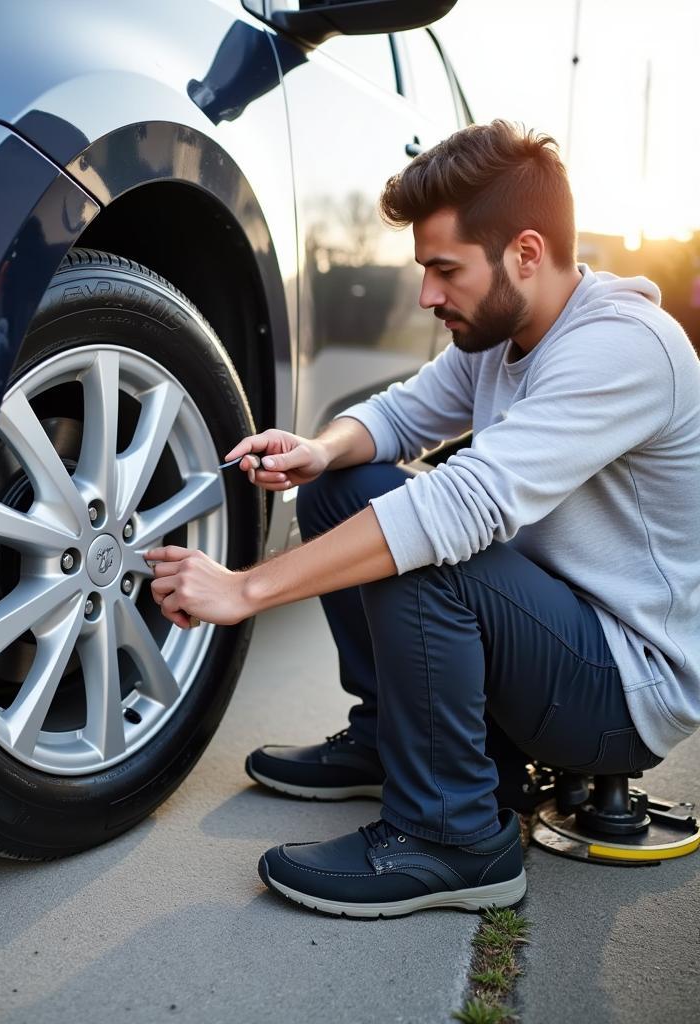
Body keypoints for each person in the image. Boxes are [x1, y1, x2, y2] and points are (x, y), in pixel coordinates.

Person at [146, 120, 700, 919]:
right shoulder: (500, 328)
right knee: (344, 485)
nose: (428, 295)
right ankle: (398, 743)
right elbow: (400, 414)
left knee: (427, 550)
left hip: (625, 688)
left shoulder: (623, 349)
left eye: (445, 270)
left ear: (527, 254)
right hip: (556, 641)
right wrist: (317, 449)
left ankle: (453, 836)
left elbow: (457, 506)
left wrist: (247, 589)